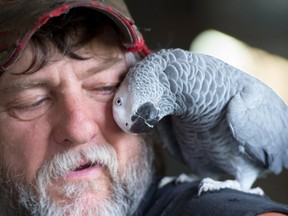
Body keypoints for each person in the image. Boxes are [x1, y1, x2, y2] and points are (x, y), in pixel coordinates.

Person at [0, 0, 287, 215]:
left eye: (106, 88)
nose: (78, 129)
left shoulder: (207, 205)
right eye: (32, 102)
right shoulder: (180, 127)